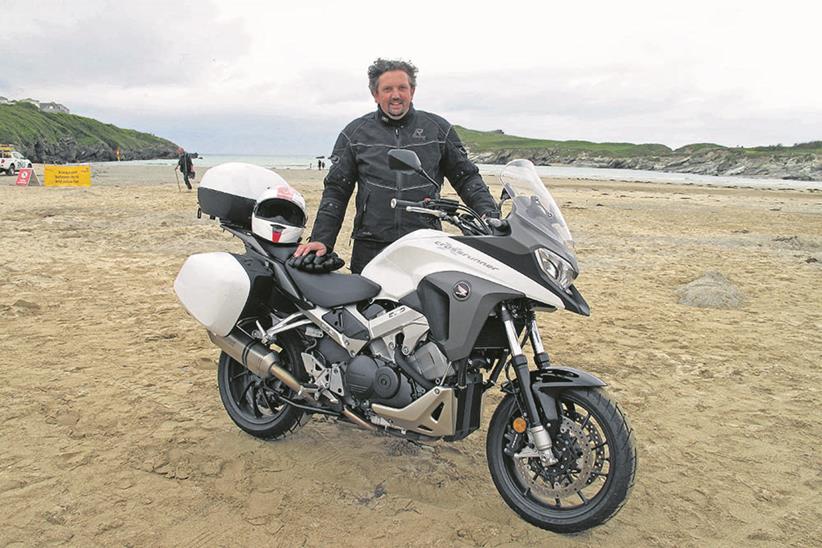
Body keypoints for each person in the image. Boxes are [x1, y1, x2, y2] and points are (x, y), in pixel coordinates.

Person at [294, 58, 498, 274]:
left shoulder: (437, 129)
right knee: (369, 306)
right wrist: (322, 239)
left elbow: (467, 178)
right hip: (372, 245)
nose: (396, 95)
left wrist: (489, 216)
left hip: (426, 243)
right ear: (375, 94)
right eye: (387, 89)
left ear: (413, 91)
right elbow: (336, 190)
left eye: (402, 87)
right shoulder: (355, 133)